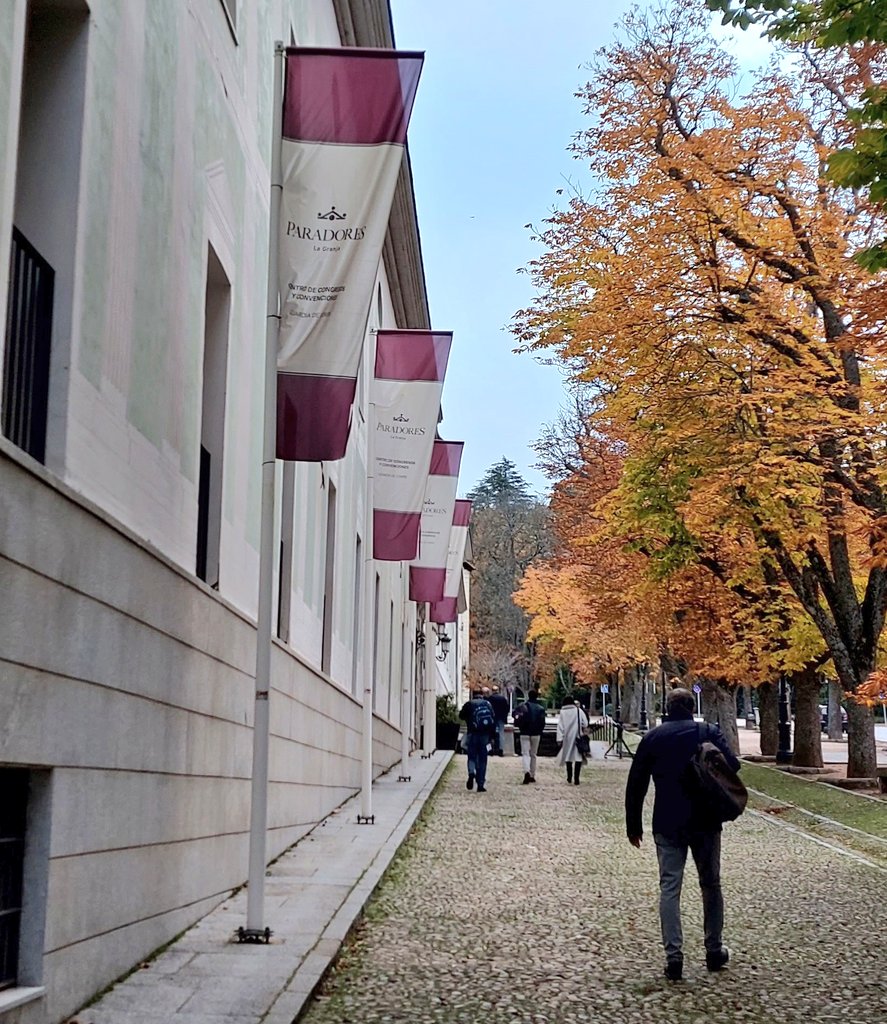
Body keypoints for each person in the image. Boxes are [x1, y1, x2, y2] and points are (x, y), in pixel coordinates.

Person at [624, 688, 740, 982]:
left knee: (670, 888)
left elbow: (636, 783)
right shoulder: (707, 731)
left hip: (667, 821)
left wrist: (633, 825)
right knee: (711, 885)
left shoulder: (653, 737)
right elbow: (733, 766)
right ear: (691, 707)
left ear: (668, 707)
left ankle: (673, 956)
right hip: (706, 820)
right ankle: (714, 949)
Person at [459, 689, 496, 792]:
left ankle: (471, 772)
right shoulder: (487, 704)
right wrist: (492, 737)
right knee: (483, 759)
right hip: (485, 735)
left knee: (471, 756)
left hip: (472, 733)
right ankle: (480, 784)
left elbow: (461, 716)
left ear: (473, 695)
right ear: (482, 695)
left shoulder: (469, 704)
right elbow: (493, 720)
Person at [513, 689, 546, 783]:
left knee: (525, 753)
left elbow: (515, 715)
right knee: (533, 754)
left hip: (524, 732)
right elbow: (542, 722)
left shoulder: (522, 706)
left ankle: (526, 770)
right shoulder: (540, 708)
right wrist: (540, 731)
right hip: (536, 733)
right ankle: (532, 774)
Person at [556, 696, 588, 785]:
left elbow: (560, 726)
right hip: (577, 736)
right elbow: (585, 723)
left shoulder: (563, 712)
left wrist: (559, 738)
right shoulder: (578, 711)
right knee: (578, 758)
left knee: (568, 757)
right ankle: (576, 778)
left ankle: (569, 777)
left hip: (567, 737)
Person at [488, 685, 510, 756]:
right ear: (498, 690)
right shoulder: (503, 698)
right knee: (501, 734)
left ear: (492, 691)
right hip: (501, 718)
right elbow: (507, 708)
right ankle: (501, 750)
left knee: (491, 734)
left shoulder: (490, 698)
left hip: (492, 718)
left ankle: (491, 749)